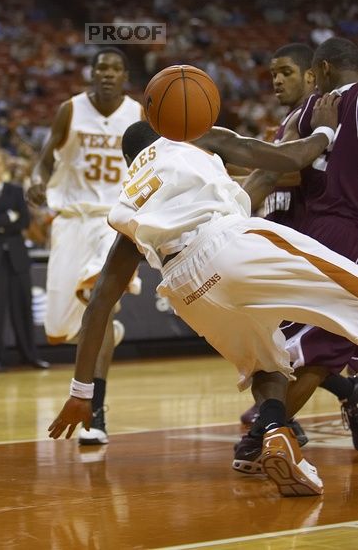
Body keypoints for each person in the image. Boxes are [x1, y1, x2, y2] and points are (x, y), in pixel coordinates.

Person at [48, 104, 358, 498]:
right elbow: (288, 159)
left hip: (185, 289)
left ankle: (277, 431)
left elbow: (97, 307)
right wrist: (327, 132)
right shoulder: (191, 137)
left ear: (130, 162)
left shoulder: (128, 202)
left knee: (266, 363)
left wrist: (81, 393)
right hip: (225, 242)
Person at [236, 37, 358, 462]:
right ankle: (272, 428)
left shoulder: (310, 111)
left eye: (287, 72)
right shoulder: (311, 110)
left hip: (318, 233)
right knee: (318, 348)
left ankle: (271, 425)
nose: (279, 80)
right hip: (335, 233)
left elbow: (276, 168)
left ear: (319, 70)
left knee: (307, 346)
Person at [27, 48, 142, 445]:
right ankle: (108, 330)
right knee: (60, 326)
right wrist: (38, 181)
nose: (107, 74)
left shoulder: (137, 113)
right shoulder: (70, 110)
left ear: (125, 75)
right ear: (91, 73)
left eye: (114, 68)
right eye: (100, 68)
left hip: (113, 219)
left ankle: (96, 409)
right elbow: (46, 160)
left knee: (100, 301)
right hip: (72, 220)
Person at [0, 150, 48, 372]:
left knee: (23, 308)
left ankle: (29, 355)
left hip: (16, 258)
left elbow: (23, 221)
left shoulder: (16, 191)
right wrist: (8, 217)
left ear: (4, 166)